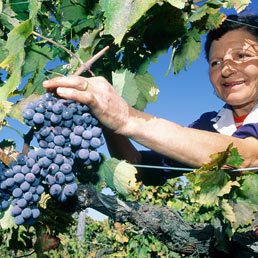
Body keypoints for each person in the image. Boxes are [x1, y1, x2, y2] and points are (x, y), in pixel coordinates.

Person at [43, 14, 258, 184]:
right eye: (216, 62)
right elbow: (140, 168)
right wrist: (106, 120)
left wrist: (127, 118)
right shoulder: (208, 125)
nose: (227, 69)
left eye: (242, 56)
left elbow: (246, 157)